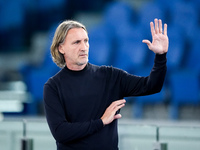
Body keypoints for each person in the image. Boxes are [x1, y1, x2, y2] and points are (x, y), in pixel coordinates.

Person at [43, 18, 168, 150]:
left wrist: (161, 56)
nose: (83, 47)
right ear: (61, 48)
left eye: (86, 41)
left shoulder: (111, 76)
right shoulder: (53, 86)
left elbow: (152, 86)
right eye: (76, 42)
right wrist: (101, 122)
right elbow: (61, 133)